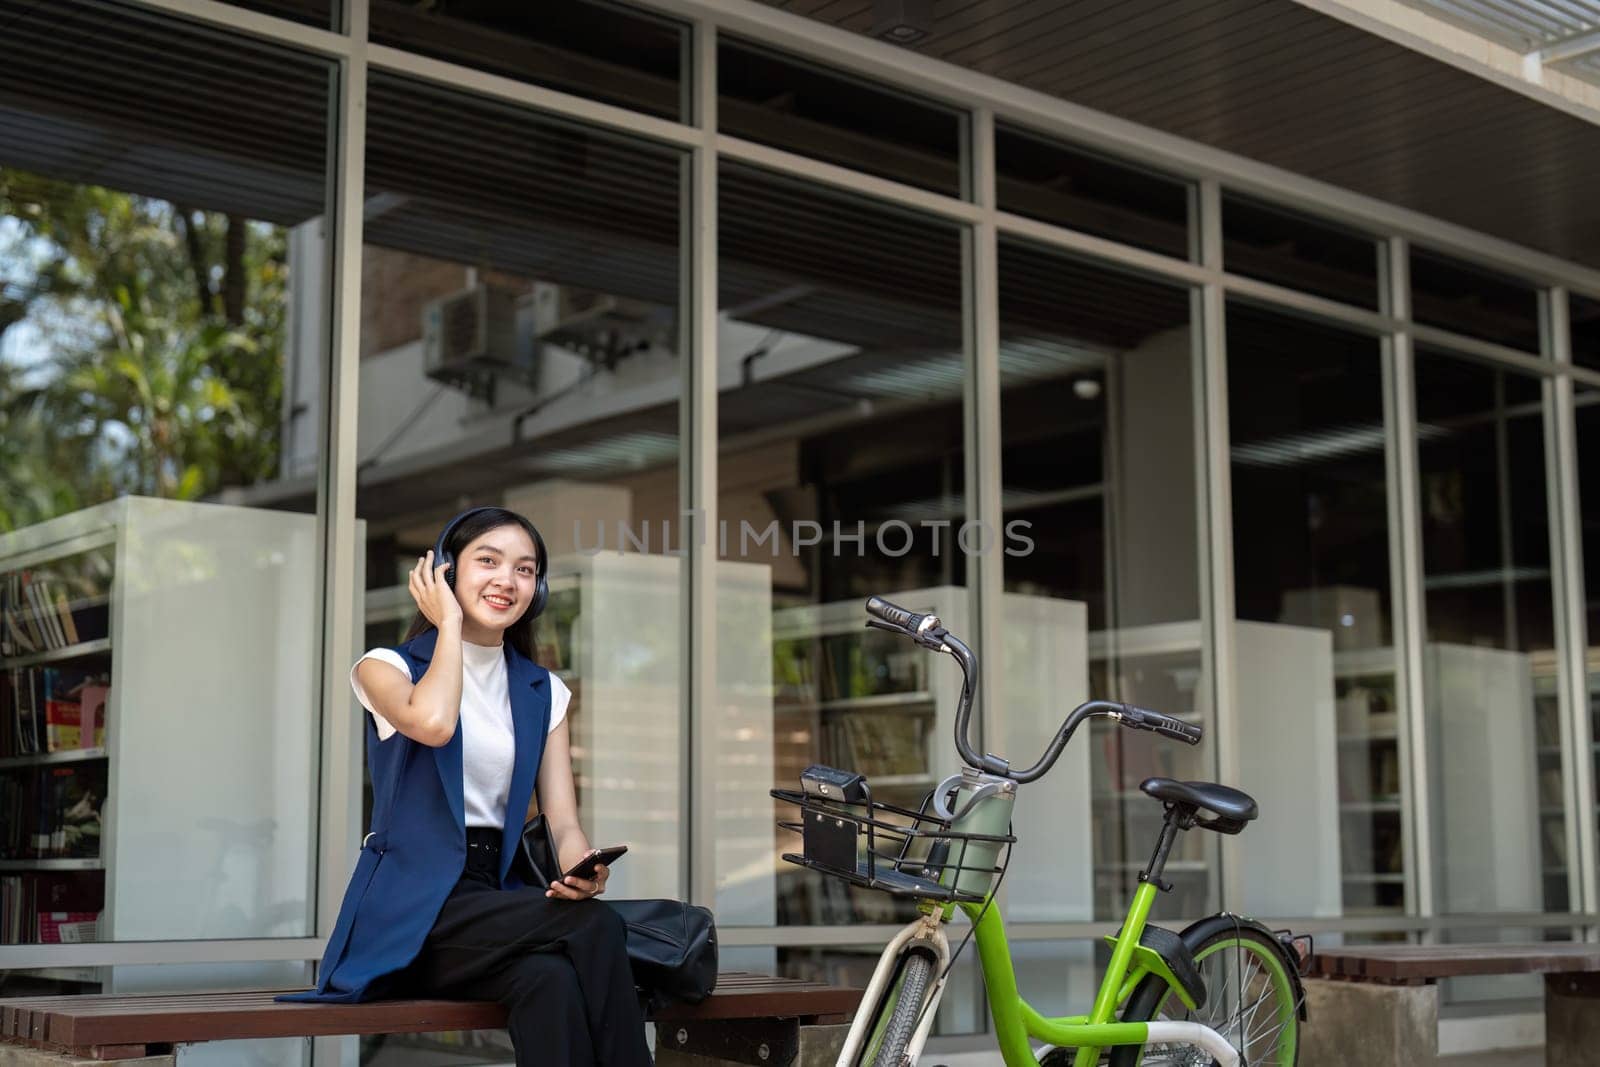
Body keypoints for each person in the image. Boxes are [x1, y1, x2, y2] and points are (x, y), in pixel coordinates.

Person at [280, 506, 653, 1067]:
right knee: (594, 930)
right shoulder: (387, 667)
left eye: (525, 570)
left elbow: (561, 819)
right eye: (488, 561)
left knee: (549, 980)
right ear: (445, 573)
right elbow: (434, 724)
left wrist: (583, 870)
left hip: (494, 900)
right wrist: (448, 625)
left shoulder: (541, 690)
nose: (508, 579)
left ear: (539, 589)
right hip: (416, 910)